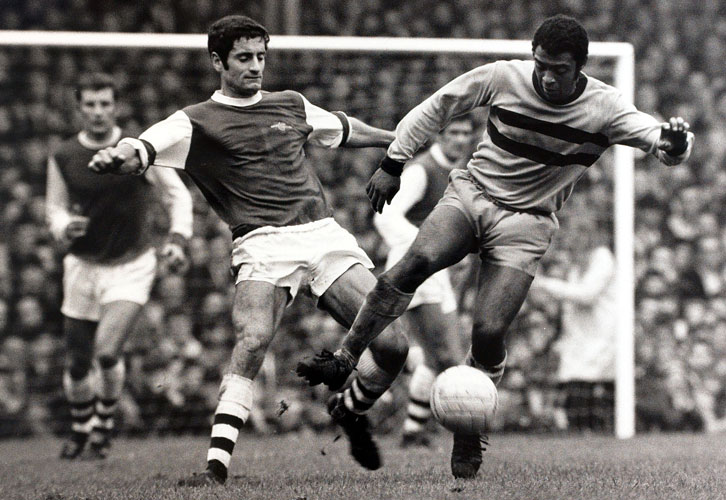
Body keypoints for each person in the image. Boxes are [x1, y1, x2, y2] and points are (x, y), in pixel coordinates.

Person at [297, 14, 694, 479]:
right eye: (540, 63)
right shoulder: (503, 76)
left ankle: (468, 431)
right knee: (415, 262)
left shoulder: (606, 107)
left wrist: (675, 145)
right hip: (472, 195)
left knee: (487, 333)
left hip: (527, 223)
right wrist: (394, 160)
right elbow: (439, 105)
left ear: (580, 67)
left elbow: (659, 142)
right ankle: (345, 358)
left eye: (559, 69)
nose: (546, 75)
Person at [88, 15, 409, 486]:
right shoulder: (194, 120)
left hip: (322, 234)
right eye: (244, 58)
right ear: (218, 62)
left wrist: (400, 141)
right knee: (254, 340)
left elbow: (342, 128)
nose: (256, 66)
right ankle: (215, 469)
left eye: (261, 56)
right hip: (262, 243)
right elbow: (142, 147)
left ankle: (349, 409)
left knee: (393, 345)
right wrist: (119, 156)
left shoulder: (290, 104)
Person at [46, 73, 193, 459]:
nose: (98, 112)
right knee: (78, 362)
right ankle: (81, 428)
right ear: (78, 109)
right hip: (82, 264)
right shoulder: (64, 155)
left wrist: (177, 239)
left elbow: (177, 195)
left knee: (106, 352)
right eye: (90, 105)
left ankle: (103, 426)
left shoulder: (137, 150)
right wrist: (64, 226)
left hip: (131, 263)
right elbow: (54, 208)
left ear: (116, 107)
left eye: (105, 104)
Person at [371, 115, 474, 446]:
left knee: (434, 356)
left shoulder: (460, 173)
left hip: (436, 267)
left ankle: (413, 431)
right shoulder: (421, 170)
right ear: (439, 136)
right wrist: (428, 245)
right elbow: (384, 216)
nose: (460, 139)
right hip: (418, 265)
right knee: (449, 354)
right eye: (453, 133)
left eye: (466, 134)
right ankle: (467, 433)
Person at [529, 221, 617, 432]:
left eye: (578, 232)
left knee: (592, 412)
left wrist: (544, 284)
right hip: (580, 343)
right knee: (576, 409)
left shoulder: (602, 258)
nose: (571, 239)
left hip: (601, 342)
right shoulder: (578, 262)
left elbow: (586, 295)